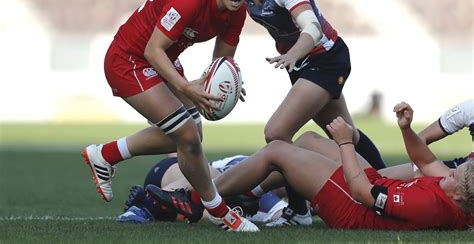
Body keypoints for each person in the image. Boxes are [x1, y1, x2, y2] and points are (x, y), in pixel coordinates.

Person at [81, 0, 259, 232]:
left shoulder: (237, 12)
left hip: (161, 58)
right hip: (129, 60)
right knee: (186, 135)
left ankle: (106, 154)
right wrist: (186, 86)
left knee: (192, 137)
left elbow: (220, 62)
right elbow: (153, 49)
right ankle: (219, 211)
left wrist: (227, 82)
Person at [231, 0, 386, 225]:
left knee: (276, 133)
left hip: (324, 58)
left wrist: (292, 55)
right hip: (303, 63)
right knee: (343, 131)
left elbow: (312, 28)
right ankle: (389, 187)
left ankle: (299, 210)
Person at [147, 102, 474, 230]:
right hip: (371, 186)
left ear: (459, 195)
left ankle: (194, 202)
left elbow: (361, 192)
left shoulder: (430, 203)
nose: (451, 171)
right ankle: (253, 193)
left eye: (455, 175)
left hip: (352, 206)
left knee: (278, 150)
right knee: (306, 141)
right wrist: (405, 128)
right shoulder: (455, 188)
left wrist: (346, 143)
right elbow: (427, 160)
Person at [116, 155, 287, 224]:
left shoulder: (268, 182)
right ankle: (145, 205)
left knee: (224, 213)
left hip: (176, 180)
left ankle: (169, 211)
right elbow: (279, 211)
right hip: (174, 173)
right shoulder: (262, 181)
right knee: (213, 179)